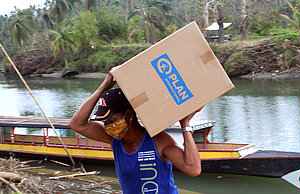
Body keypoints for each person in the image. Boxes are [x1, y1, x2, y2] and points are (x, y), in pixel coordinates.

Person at [69, 69, 201, 194]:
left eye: (113, 120)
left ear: (129, 115)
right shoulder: (115, 141)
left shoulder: (158, 140)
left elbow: (193, 169)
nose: (109, 126)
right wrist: (103, 88)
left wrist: (185, 124)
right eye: (106, 123)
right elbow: (77, 124)